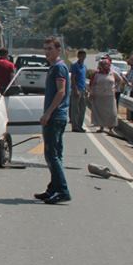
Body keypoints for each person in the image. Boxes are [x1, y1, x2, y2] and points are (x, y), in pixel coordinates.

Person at [34, 36, 71, 204]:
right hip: (58, 116)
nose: (47, 52)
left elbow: (61, 92)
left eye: (50, 49)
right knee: (55, 154)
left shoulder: (58, 68)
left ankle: (62, 190)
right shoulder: (54, 68)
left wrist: (48, 113)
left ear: (58, 50)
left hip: (55, 117)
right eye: (45, 49)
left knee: (51, 154)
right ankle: (53, 188)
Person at [89, 58, 120, 135]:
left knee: (112, 113)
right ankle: (101, 127)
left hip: (110, 96)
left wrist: (116, 87)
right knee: (100, 112)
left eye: (107, 64)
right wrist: (91, 93)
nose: (106, 66)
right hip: (99, 96)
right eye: (104, 64)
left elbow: (120, 80)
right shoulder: (96, 74)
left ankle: (111, 128)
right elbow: (92, 84)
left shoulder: (113, 73)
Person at [69, 49, 88, 132]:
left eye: (84, 56)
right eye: (81, 56)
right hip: (76, 89)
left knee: (82, 109)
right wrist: (75, 89)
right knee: (75, 109)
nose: (83, 57)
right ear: (78, 56)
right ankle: (75, 126)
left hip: (83, 89)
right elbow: (73, 78)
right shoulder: (75, 66)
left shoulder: (84, 66)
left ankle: (80, 125)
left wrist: (86, 89)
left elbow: (84, 79)